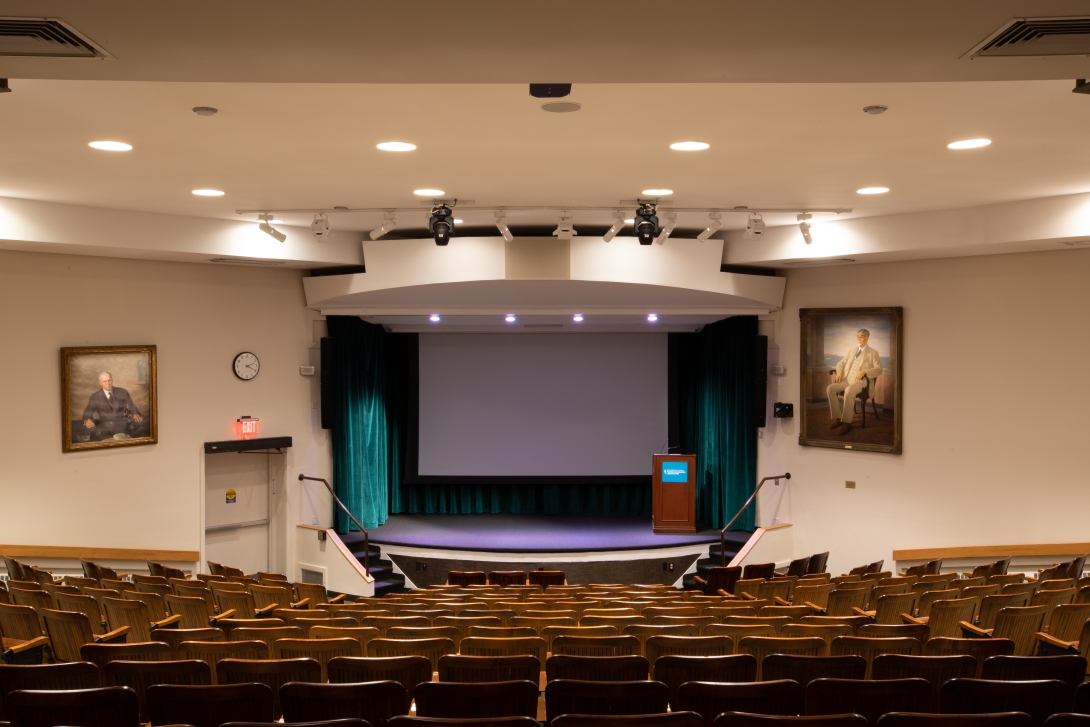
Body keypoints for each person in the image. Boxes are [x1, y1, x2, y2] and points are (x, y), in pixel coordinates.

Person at [826, 329, 882, 435]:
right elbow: (841, 363)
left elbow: (879, 369)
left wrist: (865, 371)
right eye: (857, 336)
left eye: (861, 336)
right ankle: (838, 418)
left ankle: (847, 422)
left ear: (867, 338)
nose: (859, 339)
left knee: (848, 390)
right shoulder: (851, 351)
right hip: (847, 380)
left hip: (861, 383)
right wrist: (839, 371)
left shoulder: (873, 353)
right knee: (830, 388)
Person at [81, 371, 147, 439]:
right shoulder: (95, 396)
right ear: (100, 383)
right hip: (105, 429)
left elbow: (132, 405)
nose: (108, 383)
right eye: (105, 381)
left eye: (109, 380)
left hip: (123, 427)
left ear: (112, 380)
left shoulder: (123, 392)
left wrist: (135, 413)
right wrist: (87, 419)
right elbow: (88, 411)